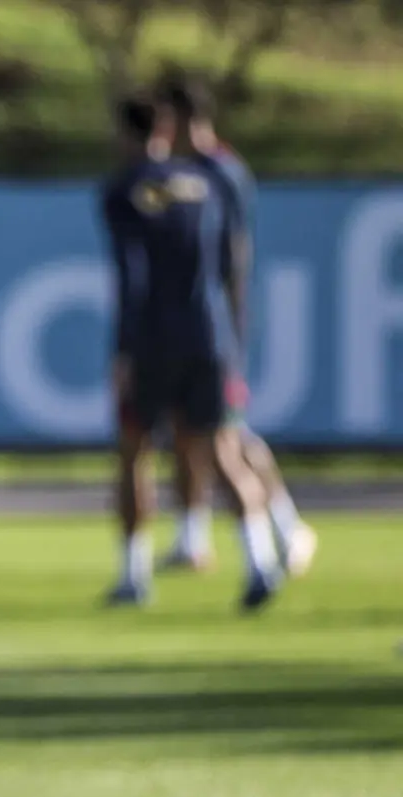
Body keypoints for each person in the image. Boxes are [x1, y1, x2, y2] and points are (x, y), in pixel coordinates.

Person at [102, 93, 280, 610]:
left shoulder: (124, 189)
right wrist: (230, 333)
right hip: (209, 334)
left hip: (153, 337)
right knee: (223, 450)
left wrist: (124, 351)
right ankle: (261, 563)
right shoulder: (208, 184)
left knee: (135, 451)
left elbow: (130, 275)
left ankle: (133, 576)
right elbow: (230, 262)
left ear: (127, 134)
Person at [152, 76, 317, 579]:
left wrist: (233, 329)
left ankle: (288, 527)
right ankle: (193, 536)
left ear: (180, 119)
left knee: (230, 434)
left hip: (216, 328)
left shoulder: (221, 173)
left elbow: (234, 255)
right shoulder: (183, 172)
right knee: (197, 432)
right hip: (196, 327)